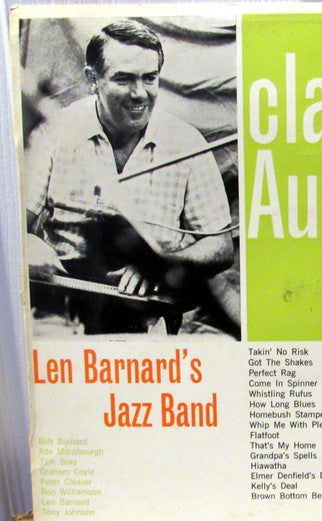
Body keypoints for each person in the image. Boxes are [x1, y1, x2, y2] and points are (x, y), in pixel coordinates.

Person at [25, 20, 234, 334]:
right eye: (123, 79)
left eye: (149, 78)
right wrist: (29, 245)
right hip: (63, 314)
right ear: (92, 79)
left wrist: (160, 263)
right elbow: (16, 226)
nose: (139, 94)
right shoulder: (53, 132)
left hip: (149, 319)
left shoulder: (187, 142)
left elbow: (220, 246)